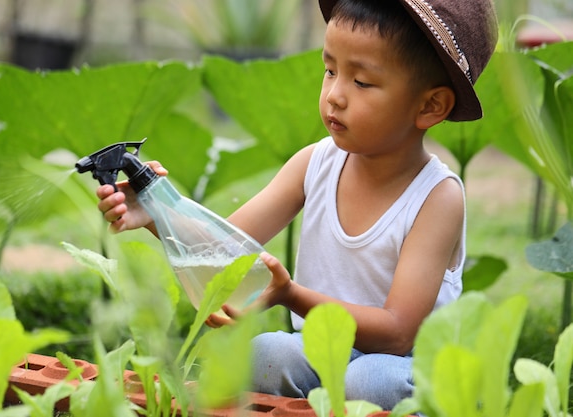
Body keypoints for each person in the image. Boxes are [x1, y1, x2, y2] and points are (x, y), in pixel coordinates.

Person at [96, 0, 498, 410]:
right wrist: (158, 213)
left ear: (430, 106)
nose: (335, 96)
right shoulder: (315, 163)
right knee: (265, 353)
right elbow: (224, 247)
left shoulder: (437, 197)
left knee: (369, 380)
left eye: (361, 82)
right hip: (321, 351)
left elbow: (398, 333)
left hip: (403, 365)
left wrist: (290, 294)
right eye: (330, 71)